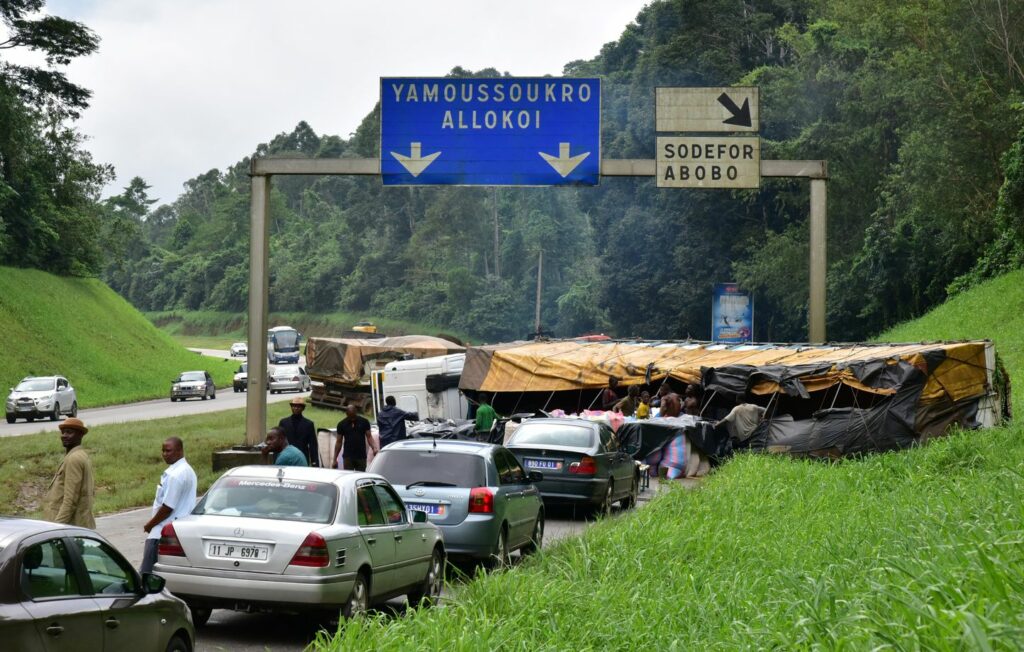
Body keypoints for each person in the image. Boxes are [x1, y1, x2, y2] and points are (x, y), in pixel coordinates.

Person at [140, 437, 197, 574]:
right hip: (179, 530)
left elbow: (167, 508)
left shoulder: (175, 475)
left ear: (179, 451)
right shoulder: (187, 471)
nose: (165, 454)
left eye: (169, 451)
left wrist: (150, 525)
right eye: (163, 451)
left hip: (161, 532)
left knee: (146, 575)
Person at [43, 417, 95, 528]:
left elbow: (70, 500)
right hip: (75, 525)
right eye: (63, 432)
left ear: (80, 435)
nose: (64, 435)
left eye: (69, 432)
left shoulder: (74, 459)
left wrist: (57, 527)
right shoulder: (78, 455)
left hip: (70, 525)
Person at [278, 397, 319, 467]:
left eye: (298, 406)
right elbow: (279, 441)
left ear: (303, 408)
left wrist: (314, 462)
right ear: (291, 407)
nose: (296, 408)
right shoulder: (284, 422)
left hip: (302, 457)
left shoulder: (309, 424)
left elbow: (313, 445)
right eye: (294, 406)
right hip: (286, 456)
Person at [334, 405, 376, 471]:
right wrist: (334, 459)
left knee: (361, 476)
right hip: (348, 456)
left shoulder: (364, 422)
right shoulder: (341, 424)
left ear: (356, 412)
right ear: (346, 414)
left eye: (353, 416)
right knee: (348, 476)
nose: (352, 419)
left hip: (361, 456)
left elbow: (369, 437)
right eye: (350, 417)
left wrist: (374, 447)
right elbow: (339, 442)